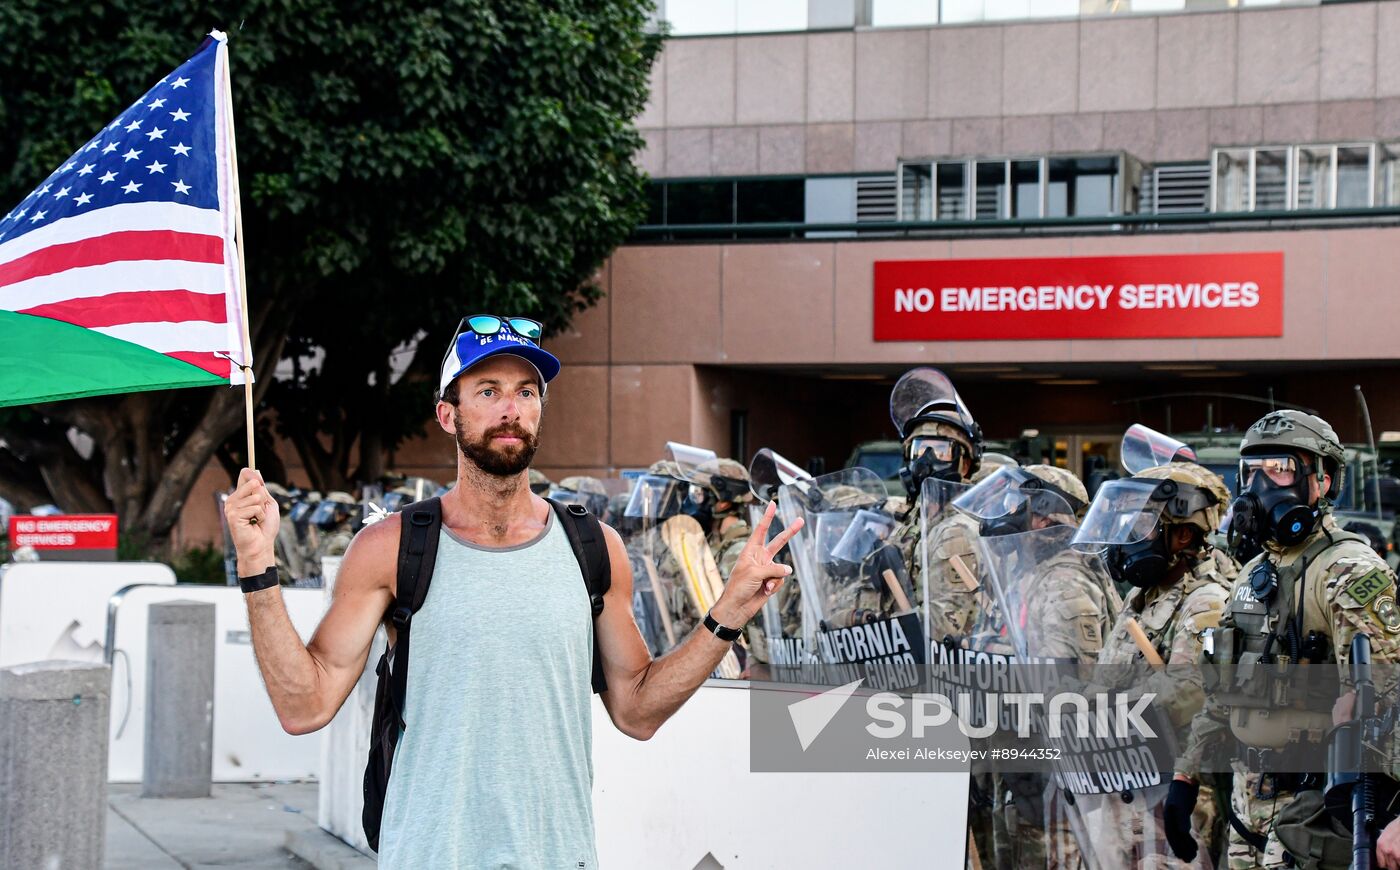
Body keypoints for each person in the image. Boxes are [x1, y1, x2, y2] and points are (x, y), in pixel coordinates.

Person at [223, 314, 801, 868]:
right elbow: (304, 706)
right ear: (448, 415)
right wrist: (257, 566)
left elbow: (638, 710)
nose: (511, 409)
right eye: (489, 391)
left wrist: (729, 613)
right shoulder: (390, 548)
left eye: (527, 393)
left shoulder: (593, 548)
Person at [1167, 410, 1400, 869]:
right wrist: (1185, 776)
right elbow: (1222, 692)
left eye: (1279, 469)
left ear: (1323, 481)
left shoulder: (1348, 570)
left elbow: (1390, 694)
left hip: (1314, 813)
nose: (1260, 485)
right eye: (1250, 471)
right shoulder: (1252, 575)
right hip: (1248, 809)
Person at [1071, 460, 1240, 867]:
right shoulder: (1143, 597)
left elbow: (1188, 692)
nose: (1126, 538)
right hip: (1125, 785)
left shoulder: (1207, 602)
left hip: (1172, 803)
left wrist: (1101, 712)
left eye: (1140, 525)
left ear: (1183, 534)